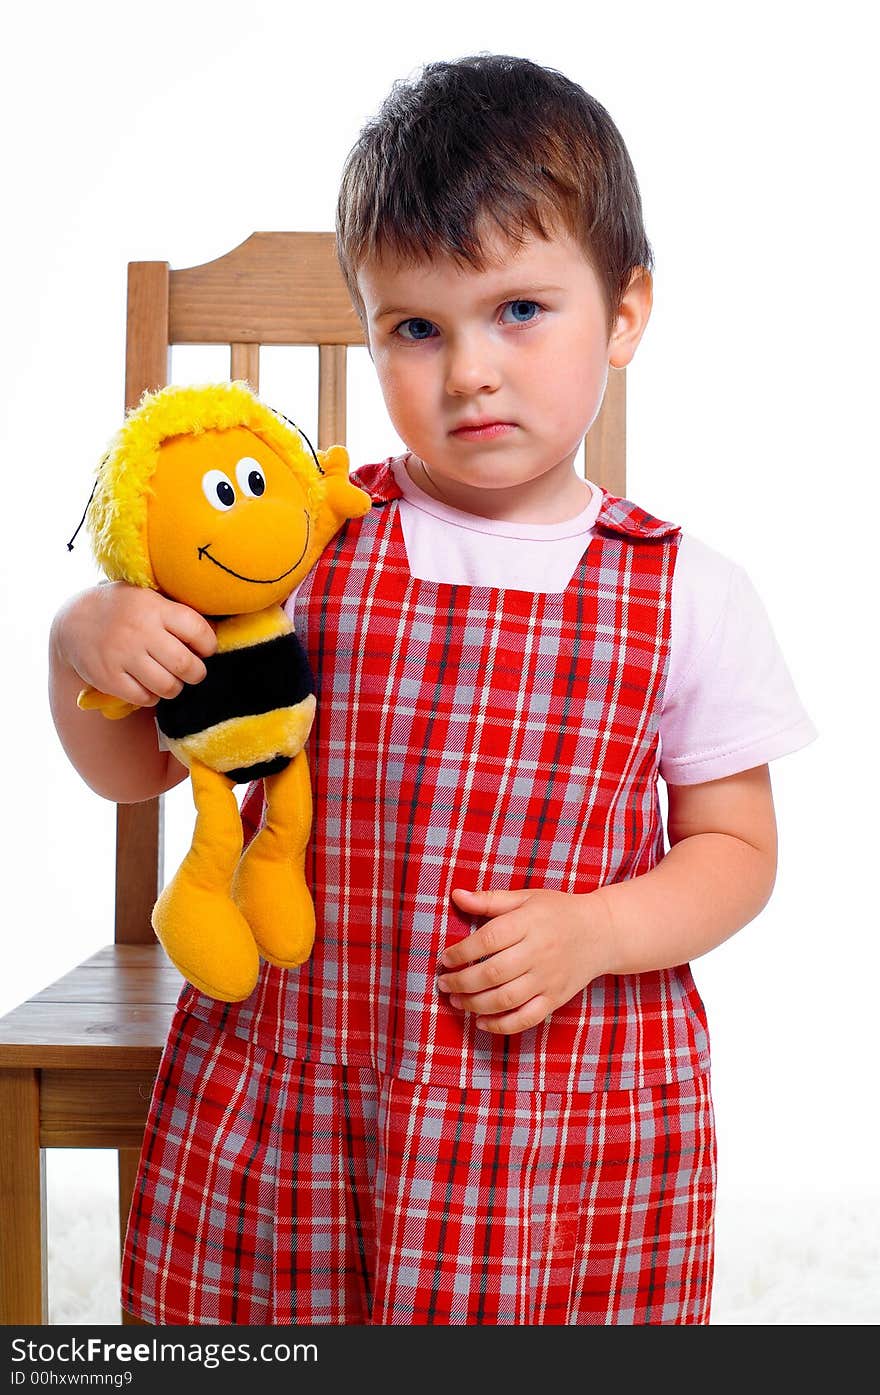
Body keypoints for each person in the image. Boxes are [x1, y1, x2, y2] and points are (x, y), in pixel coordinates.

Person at [48, 53, 817, 1326]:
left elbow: (736, 849)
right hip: (298, 1093)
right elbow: (134, 770)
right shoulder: (292, 550)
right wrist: (84, 644)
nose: (468, 370)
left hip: (550, 1117)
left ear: (623, 314)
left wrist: (601, 932)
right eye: (417, 327)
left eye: (520, 310)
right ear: (370, 331)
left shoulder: (688, 592)